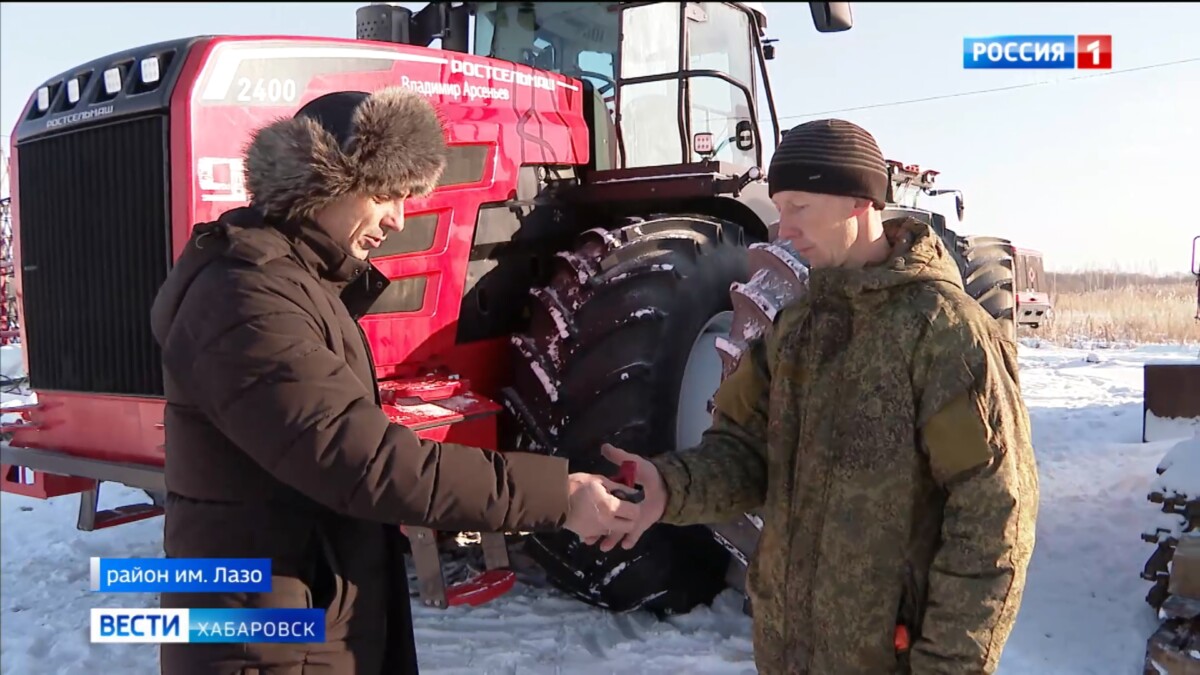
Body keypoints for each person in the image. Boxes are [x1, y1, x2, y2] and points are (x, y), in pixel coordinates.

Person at [149, 87, 641, 675]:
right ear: (321, 181)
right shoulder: (247, 298)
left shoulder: (293, 284)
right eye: (386, 194)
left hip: (302, 613)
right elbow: (366, 462)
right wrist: (556, 495)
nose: (398, 219)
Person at [598, 119, 1040, 674]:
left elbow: (994, 517)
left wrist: (950, 666)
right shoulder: (797, 329)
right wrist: (668, 487)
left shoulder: (946, 333)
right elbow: (745, 454)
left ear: (859, 201)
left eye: (799, 208)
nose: (783, 230)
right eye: (780, 208)